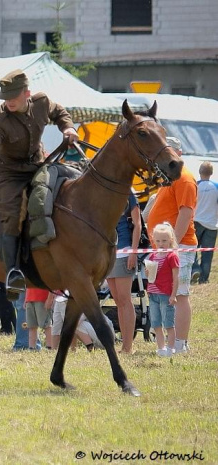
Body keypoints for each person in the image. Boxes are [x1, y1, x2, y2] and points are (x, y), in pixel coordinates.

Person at [0, 69, 79, 298]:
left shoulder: (41, 102)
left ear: (26, 93)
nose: (8, 101)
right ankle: (13, 273)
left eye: (12, 97)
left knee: (70, 184)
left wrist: (67, 127)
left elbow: (59, 112)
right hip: (8, 176)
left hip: (39, 167)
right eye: (5, 97)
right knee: (14, 211)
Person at [147, 136, 197, 354]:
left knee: (181, 293)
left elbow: (186, 213)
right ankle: (171, 342)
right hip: (164, 248)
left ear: (180, 154)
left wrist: (172, 247)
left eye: (170, 153)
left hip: (180, 246)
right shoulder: (168, 178)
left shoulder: (184, 179)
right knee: (165, 293)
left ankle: (180, 344)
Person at [106, 192, 141, 354]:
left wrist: (133, 252)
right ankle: (124, 346)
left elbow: (137, 224)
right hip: (108, 252)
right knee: (118, 300)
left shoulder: (127, 193)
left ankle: (128, 347)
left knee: (125, 299)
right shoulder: (103, 192)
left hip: (124, 250)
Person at [146, 223, 180, 357]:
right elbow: (151, 276)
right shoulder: (153, 256)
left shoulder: (172, 256)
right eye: (158, 241)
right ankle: (161, 348)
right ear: (154, 240)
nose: (161, 244)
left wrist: (173, 295)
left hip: (166, 294)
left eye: (164, 241)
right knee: (156, 323)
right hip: (153, 293)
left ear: (170, 240)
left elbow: (176, 278)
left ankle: (171, 349)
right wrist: (148, 272)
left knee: (168, 324)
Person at [192, 161, 218, 284]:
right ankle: (204, 279)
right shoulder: (216, 186)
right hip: (212, 224)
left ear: (199, 172)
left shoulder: (195, 185)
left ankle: (195, 269)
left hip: (196, 221)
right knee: (207, 252)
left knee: (192, 249)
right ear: (211, 173)